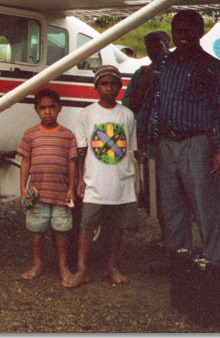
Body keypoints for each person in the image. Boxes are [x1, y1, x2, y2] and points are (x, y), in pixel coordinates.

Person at [138, 10, 220, 268]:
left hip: (198, 142)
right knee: (172, 206)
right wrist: (143, 133)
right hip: (166, 143)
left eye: (189, 30)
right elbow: (150, 100)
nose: (183, 35)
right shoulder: (164, 64)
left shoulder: (212, 67)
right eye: (178, 30)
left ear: (200, 32)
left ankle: (213, 262)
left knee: (204, 204)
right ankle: (179, 261)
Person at [67, 64, 139, 287]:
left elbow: (131, 149)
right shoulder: (88, 113)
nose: (109, 88)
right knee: (87, 225)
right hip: (95, 181)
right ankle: (81, 269)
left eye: (114, 84)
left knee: (117, 227)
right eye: (104, 84)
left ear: (120, 86)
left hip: (121, 180)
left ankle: (111, 266)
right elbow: (81, 150)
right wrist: (80, 179)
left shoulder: (127, 114)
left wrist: (137, 182)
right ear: (96, 86)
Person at [121, 30, 171, 266]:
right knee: (154, 190)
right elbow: (129, 105)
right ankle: (166, 234)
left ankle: (176, 237)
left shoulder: (174, 72)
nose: (154, 50)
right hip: (148, 142)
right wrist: (145, 82)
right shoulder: (142, 74)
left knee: (172, 190)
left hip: (170, 140)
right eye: (150, 46)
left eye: (159, 45)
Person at [17, 88, 77, 284]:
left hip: (61, 194)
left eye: (52, 107)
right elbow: (26, 161)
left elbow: (71, 162)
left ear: (60, 108)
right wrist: (23, 188)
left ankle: (63, 265)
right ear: (36, 110)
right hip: (37, 194)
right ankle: (37, 264)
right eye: (43, 108)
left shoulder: (67, 135)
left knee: (62, 231)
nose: (48, 112)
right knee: (37, 231)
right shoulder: (30, 134)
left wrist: (71, 189)